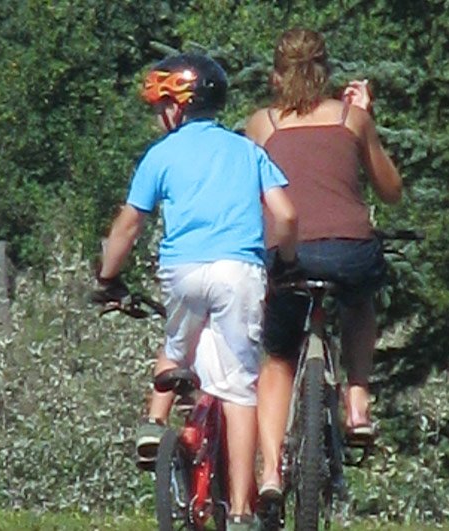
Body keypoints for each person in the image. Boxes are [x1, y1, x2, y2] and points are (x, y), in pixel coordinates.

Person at [92, 53, 299, 530]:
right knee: (239, 389)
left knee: (176, 342)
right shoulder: (247, 150)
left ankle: (154, 424)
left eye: (161, 104)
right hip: (238, 271)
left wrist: (107, 277)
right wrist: (284, 262)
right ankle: (245, 511)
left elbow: (128, 226)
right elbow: (286, 216)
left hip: (183, 270)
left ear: (179, 107)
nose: (158, 114)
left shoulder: (161, 155)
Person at [243, 27, 404, 507]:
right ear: (326, 72)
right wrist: (365, 117)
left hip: (291, 253)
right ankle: (357, 401)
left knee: (277, 357)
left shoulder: (262, 124)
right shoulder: (351, 120)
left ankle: (270, 470)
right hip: (350, 249)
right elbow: (391, 190)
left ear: (277, 76)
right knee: (359, 304)